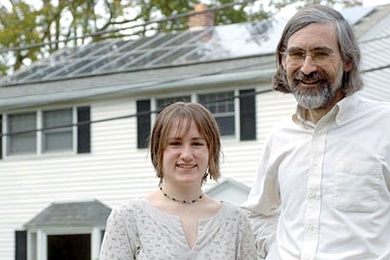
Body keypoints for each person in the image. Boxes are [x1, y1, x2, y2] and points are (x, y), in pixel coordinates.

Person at [241, 4, 390, 260]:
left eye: (321, 54)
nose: (307, 68)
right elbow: (258, 213)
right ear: (283, 60)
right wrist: (277, 250)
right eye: (297, 54)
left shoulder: (384, 125)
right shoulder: (280, 136)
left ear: (348, 61)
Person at [100, 101, 257, 260]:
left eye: (197, 143)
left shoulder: (236, 222)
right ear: (158, 151)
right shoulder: (128, 218)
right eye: (175, 143)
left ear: (211, 151)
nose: (187, 155)